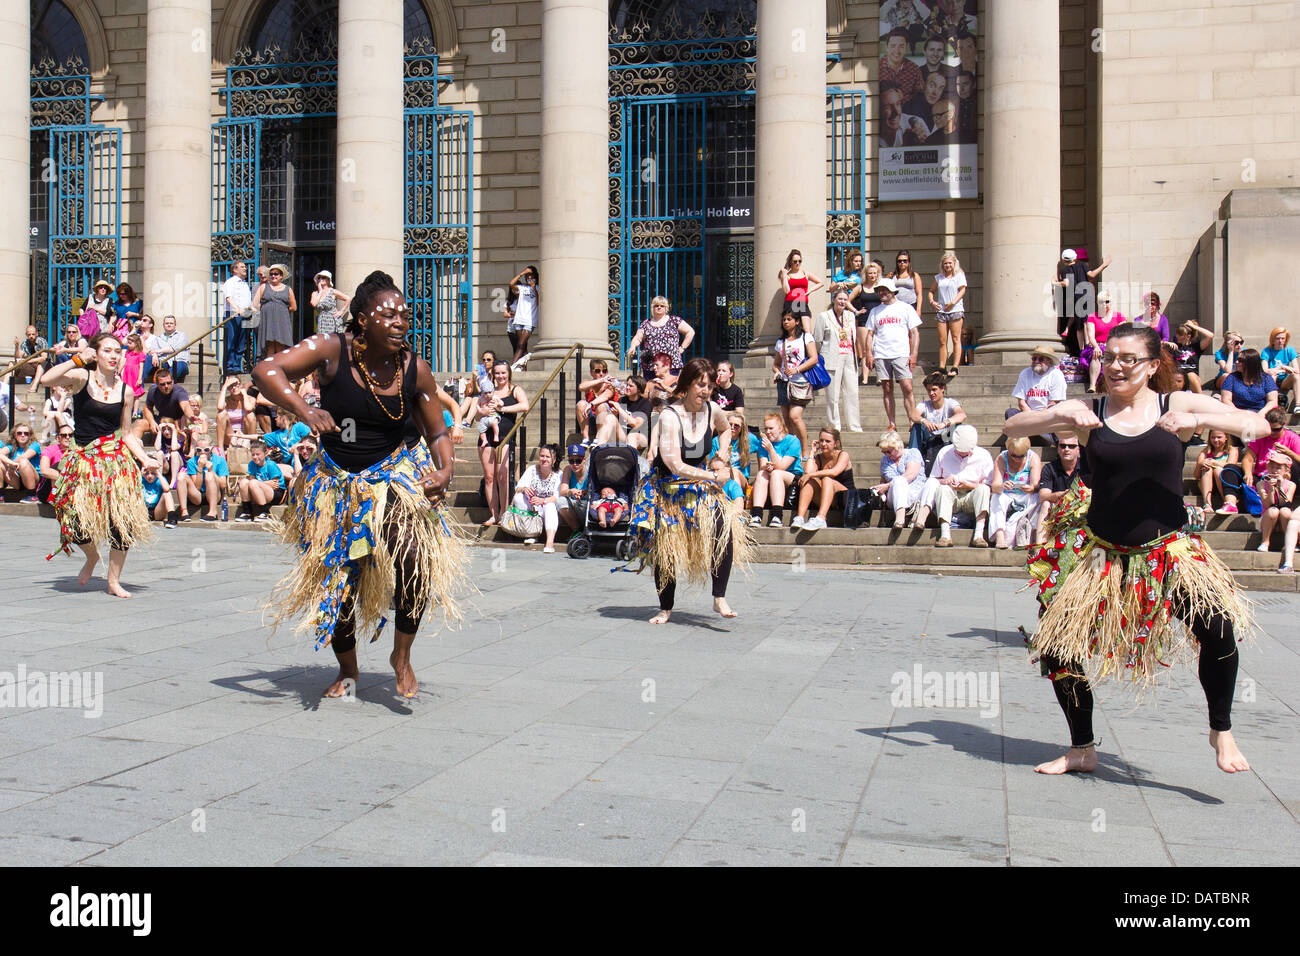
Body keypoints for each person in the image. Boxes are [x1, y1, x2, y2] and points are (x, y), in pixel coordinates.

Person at [1007, 321, 1265, 775]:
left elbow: (1256, 423)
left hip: (1169, 551)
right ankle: (1082, 747)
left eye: (1128, 359)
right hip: (1102, 553)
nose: (1117, 366)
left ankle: (1220, 729)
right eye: (1109, 357)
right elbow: (1014, 423)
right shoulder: (1093, 409)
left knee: (1219, 629)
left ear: (1151, 365)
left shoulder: (1176, 402)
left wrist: (1199, 419)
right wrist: (1064, 411)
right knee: (1057, 646)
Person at [252, 269, 468, 699]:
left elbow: (438, 432)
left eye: (404, 315)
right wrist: (303, 408)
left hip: (391, 476)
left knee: (413, 559)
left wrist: (443, 471)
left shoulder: (414, 369)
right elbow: (265, 369)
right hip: (334, 481)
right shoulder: (333, 349)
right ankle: (347, 668)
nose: (400, 323)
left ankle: (401, 655)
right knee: (336, 581)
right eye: (388, 315)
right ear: (363, 318)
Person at [625, 357, 750, 623]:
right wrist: (713, 475)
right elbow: (674, 463)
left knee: (723, 525)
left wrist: (723, 454)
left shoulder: (712, 409)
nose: (705, 391)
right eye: (699, 385)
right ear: (687, 384)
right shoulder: (670, 416)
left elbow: (726, 429)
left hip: (700, 485)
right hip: (667, 488)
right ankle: (665, 607)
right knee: (666, 549)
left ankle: (719, 597)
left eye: (709, 385)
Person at [37, 332, 154, 598]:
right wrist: (76, 359)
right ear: (96, 354)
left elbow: (126, 434)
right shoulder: (82, 378)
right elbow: (47, 379)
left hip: (116, 462)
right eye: (108, 351)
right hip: (84, 462)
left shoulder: (126, 390)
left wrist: (146, 458)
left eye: (118, 351)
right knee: (74, 523)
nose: (114, 356)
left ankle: (113, 581)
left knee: (121, 524)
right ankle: (91, 558)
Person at [912, 423, 993, 548]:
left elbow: (989, 484)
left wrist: (969, 485)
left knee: (984, 489)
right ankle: (945, 534)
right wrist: (946, 481)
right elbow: (934, 479)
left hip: (971, 496)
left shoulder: (984, 455)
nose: (962, 454)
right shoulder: (944, 452)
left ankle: (979, 534)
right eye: (959, 451)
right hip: (951, 496)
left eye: (965, 452)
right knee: (943, 488)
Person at [864, 277, 922, 431]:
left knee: (907, 387)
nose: (881, 293)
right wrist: (869, 354)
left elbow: (915, 332)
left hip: (901, 353)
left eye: (884, 290)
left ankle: (913, 420)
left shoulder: (906, 308)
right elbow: (870, 334)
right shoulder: (875, 311)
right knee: (887, 388)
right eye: (879, 290)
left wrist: (914, 353)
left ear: (892, 291)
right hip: (882, 354)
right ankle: (892, 423)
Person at [477, 360, 529, 527]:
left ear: (509, 374)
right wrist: (482, 412)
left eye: (503, 373)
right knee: (489, 477)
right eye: (497, 373)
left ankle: (504, 512)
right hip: (486, 438)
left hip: (506, 437)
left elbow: (525, 406)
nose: (500, 376)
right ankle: (493, 514)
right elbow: (477, 414)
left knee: (502, 476)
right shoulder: (487, 390)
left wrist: (503, 409)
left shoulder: (515, 390)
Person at [1220, 408, 1300, 514]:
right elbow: (1248, 458)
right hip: (1261, 478)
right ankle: (1231, 503)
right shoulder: (1260, 436)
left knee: (1294, 465)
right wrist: (1248, 472)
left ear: (1284, 424)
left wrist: (1289, 452)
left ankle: (1283, 501)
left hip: (1284, 479)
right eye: (1270, 429)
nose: (1272, 433)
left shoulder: (1292, 438)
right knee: (1229, 468)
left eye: (1276, 429)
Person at [772, 309, 819, 458]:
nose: (786, 322)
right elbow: (776, 363)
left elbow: (814, 358)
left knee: (795, 416)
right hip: (784, 383)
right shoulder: (781, 342)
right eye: (784, 319)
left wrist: (797, 369)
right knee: (786, 419)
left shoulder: (806, 337)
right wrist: (777, 372)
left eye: (789, 319)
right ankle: (793, 448)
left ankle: (805, 448)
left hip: (800, 382)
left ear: (797, 321)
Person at [814, 290, 861, 433]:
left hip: (849, 356)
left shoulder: (850, 316)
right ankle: (835, 426)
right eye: (840, 299)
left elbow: (854, 337)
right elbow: (817, 339)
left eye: (845, 299)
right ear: (833, 299)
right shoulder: (824, 316)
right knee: (833, 396)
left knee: (852, 392)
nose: (842, 302)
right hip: (831, 358)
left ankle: (854, 425)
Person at [791, 428, 854, 531]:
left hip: (846, 499)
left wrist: (812, 475)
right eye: (821, 440)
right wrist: (812, 453)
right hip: (828, 499)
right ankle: (800, 517)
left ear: (836, 443)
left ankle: (821, 518)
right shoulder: (818, 458)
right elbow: (807, 472)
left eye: (828, 441)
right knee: (809, 481)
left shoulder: (843, 455)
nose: (823, 444)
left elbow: (834, 472)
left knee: (826, 479)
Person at [749, 412, 804, 528]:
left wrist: (770, 449)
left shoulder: (793, 441)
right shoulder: (763, 442)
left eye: (771, 428)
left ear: (780, 428)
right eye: (766, 429)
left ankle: (777, 515)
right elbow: (763, 464)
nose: (768, 432)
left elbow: (782, 466)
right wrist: (766, 467)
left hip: (792, 478)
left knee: (777, 473)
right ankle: (756, 514)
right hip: (773, 476)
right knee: (761, 473)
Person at [989, 436, 1042, 549]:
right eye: (1013, 455)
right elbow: (994, 486)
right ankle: (1000, 535)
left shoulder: (1033, 458)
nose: (1017, 459)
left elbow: (1036, 485)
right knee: (996, 497)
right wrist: (1002, 486)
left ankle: (1031, 533)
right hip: (1007, 494)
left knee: (1038, 497)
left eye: (1021, 455)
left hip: (1026, 495)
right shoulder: (1001, 458)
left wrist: (1031, 488)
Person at [1054, 248, 1110, 355]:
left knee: (1079, 326)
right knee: (1087, 322)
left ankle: (1082, 350)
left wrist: (1055, 283)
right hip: (1088, 295)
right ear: (1075, 258)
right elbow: (1092, 275)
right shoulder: (1082, 265)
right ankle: (1089, 345)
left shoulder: (1066, 270)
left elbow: (1066, 283)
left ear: (1063, 260)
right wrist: (1104, 265)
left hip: (1077, 298)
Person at [511, 443, 566, 553]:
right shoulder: (532, 470)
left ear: (554, 459)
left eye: (547, 457)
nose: (544, 459)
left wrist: (543, 500)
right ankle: (532, 532)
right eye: (542, 456)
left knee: (550, 506)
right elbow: (518, 487)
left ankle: (549, 542)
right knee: (518, 498)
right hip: (533, 509)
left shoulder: (559, 474)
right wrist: (524, 489)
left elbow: (558, 496)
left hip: (551, 513)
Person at [1006, 345, 1067, 441]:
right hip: (1028, 417)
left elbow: (1054, 403)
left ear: (1049, 361)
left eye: (1041, 359)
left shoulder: (1056, 375)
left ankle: (1056, 444)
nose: (1036, 361)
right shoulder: (1025, 373)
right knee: (1011, 413)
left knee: (1055, 411)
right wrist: (1032, 418)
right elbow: (1021, 402)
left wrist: (1039, 419)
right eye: (1034, 358)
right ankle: (1018, 445)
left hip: (1048, 418)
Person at [1037, 432, 1089, 540]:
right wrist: (1060, 495)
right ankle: (1039, 548)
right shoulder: (1049, 468)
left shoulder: (1086, 468)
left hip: (1081, 508)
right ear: (1058, 449)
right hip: (1057, 508)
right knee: (1045, 504)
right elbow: (1043, 496)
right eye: (1063, 446)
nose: (1066, 449)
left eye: (1071, 446)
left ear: (1078, 449)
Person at [910, 369, 966, 471]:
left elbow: (962, 415)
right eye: (929, 390)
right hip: (930, 437)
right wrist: (924, 421)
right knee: (916, 426)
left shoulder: (950, 403)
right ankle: (913, 463)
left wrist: (944, 423)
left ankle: (959, 461)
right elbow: (913, 415)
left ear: (943, 388)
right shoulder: (924, 405)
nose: (931, 393)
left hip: (946, 437)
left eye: (934, 389)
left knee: (958, 426)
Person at [626, 296, 694, 375]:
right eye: (656, 306)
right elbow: (638, 338)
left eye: (662, 306)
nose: (659, 307)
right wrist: (632, 346)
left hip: (671, 364)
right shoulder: (646, 323)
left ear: (666, 308)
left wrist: (682, 348)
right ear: (652, 308)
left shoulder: (674, 320)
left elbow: (690, 332)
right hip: (651, 365)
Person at [874, 429, 927, 530]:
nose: (886, 455)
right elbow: (883, 479)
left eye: (889, 451)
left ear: (898, 446)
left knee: (899, 480)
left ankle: (900, 519)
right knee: (897, 482)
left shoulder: (912, 453)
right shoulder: (885, 459)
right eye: (884, 452)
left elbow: (910, 474)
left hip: (914, 492)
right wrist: (881, 489)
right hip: (894, 496)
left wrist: (888, 485)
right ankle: (900, 519)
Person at [929, 251, 967, 375]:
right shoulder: (938, 277)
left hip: (955, 310)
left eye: (950, 263)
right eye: (945, 263)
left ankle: (955, 366)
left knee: (956, 339)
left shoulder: (959, 275)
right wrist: (932, 301)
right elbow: (931, 291)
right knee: (942, 340)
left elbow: (962, 290)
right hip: (942, 311)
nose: (948, 266)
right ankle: (942, 366)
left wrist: (953, 302)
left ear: (954, 263)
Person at [1081, 291, 1126, 392]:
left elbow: (1123, 333)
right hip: (1097, 345)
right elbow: (1091, 336)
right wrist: (1096, 346)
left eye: (1107, 302)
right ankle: (1092, 385)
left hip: (1114, 346)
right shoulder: (1092, 317)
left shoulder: (1119, 316)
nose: (1104, 304)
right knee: (1096, 354)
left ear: (1111, 302)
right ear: (1098, 303)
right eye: (1101, 302)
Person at [1255, 449, 1295, 558]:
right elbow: (1268, 504)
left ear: (1286, 470)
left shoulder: (1291, 485)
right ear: (1267, 468)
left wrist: (1280, 487)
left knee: (1285, 511)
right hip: (1268, 517)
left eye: (1278, 468)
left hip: (1284, 518)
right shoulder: (1261, 484)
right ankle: (1265, 541)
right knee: (1273, 511)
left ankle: (1289, 543)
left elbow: (1286, 503)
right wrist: (1272, 489)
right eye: (1272, 467)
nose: (1275, 470)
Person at [594, 374, 652, 448]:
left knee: (632, 436)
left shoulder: (645, 403)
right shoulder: (622, 400)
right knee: (610, 417)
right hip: (623, 436)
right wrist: (615, 414)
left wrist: (619, 409)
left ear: (639, 389)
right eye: (627, 385)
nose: (627, 387)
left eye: (631, 386)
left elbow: (636, 424)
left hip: (640, 437)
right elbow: (617, 422)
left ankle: (629, 458)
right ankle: (598, 450)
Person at [851, 260, 885, 386]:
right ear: (866, 274)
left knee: (878, 349)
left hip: (878, 320)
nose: (872, 275)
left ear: (878, 274)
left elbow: (890, 299)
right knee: (866, 350)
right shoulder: (860, 287)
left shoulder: (881, 287)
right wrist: (856, 311)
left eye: (874, 273)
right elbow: (847, 300)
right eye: (870, 273)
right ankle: (865, 378)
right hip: (864, 320)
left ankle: (879, 377)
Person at [251, 264, 296, 357]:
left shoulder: (288, 289)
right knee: (270, 345)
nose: (273, 276)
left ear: (281, 276)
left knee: (281, 344)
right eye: (271, 274)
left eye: (276, 274)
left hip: (281, 321)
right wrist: (265, 309)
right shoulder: (263, 287)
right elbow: (255, 304)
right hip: (268, 320)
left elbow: (293, 307)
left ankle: (281, 368)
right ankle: (269, 368)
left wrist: (282, 310)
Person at [180, 435, 229, 522]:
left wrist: (211, 470)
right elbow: (197, 487)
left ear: (211, 449)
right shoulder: (192, 461)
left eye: (206, 450)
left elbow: (223, 485)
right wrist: (200, 468)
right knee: (181, 476)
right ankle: (184, 512)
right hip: (198, 495)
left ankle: (212, 512)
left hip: (214, 494)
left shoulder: (220, 460)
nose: (202, 453)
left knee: (209, 475)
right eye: (199, 450)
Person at [1194, 429, 1237, 519]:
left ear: (1226, 438)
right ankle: (1207, 504)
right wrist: (1201, 464)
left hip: (1224, 483)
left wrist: (1215, 463)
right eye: (1213, 437)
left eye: (1219, 437)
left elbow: (1231, 466)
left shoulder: (1232, 450)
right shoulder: (1205, 452)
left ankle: (1227, 501)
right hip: (1206, 483)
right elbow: (1196, 476)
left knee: (1218, 470)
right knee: (1207, 469)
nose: (1216, 440)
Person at [1219, 348, 1277, 415]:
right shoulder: (1231, 378)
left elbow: (1272, 401)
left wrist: (1261, 413)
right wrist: (1240, 413)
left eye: (1240, 360)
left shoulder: (1266, 378)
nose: (1236, 362)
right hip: (1237, 413)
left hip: (1261, 413)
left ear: (1250, 362)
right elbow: (1226, 400)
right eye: (1237, 359)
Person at [222, 260, 253, 374]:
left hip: (244, 315)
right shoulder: (230, 282)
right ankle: (229, 366)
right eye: (242, 267)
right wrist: (237, 308)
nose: (245, 269)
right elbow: (228, 297)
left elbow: (247, 301)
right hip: (232, 314)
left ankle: (236, 366)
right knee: (231, 340)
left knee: (241, 342)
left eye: (245, 267)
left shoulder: (245, 284)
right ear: (235, 270)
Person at [505, 265, 540, 367]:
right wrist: (522, 273)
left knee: (520, 345)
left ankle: (512, 367)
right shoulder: (522, 288)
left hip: (530, 320)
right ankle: (524, 367)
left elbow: (539, 303)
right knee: (522, 346)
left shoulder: (538, 288)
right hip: (519, 319)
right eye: (527, 276)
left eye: (531, 276)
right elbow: (511, 284)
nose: (529, 278)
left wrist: (534, 288)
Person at [778, 249, 824, 326]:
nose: (797, 263)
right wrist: (784, 275)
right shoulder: (787, 275)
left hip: (802, 303)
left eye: (800, 261)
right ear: (790, 262)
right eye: (795, 261)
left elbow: (820, 282)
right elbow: (786, 291)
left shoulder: (805, 273)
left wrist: (810, 291)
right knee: (792, 330)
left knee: (806, 329)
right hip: (790, 303)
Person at [575, 358, 619, 440]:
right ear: (591, 372)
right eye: (598, 371)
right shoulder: (590, 384)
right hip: (592, 420)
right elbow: (581, 387)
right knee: (581, 404)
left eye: (604, 371)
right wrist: (600, 380)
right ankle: (585, 438)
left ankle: (598, 438)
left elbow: (606, 396)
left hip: (607, 420)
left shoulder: (610, 385)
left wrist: (591, 404)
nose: (601, 374)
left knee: (601, 405)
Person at [878, 82, 929, 148]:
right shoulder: (869, 131)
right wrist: (906, 146)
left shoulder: (917, 124)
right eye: (887, 107)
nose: (896, 112)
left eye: (898, 104)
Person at [1261, 326, 1299, 414]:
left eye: (1283, 338)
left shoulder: (1290, 350)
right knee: (1272, 375)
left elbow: (1297, 370)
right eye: (1278, 338)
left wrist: (1282, 369)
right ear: (1272, 340)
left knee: (1296, 376)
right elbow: (1265, 370)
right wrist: (1284, 367)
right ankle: (1272, 404)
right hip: (1271, 380)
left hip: (1285, 382)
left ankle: (1298, 405)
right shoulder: (1266, 351)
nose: (1280, 341)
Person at [216, 376, 259, 452]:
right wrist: (224, 387)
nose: (234, 388)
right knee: (221, 414)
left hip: (246, 434)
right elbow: (220, 407)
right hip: (231, 435)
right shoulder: (227, 400)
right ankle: (220, 449)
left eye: (236, 385)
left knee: (250, 415)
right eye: (231, 386)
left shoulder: (251, 399)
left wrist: (244, 394)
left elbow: (248, 408)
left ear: (241, 385)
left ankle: (253, 446)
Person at [1170, 320, 1214, 393]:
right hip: (1179, 377)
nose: (1177, 336)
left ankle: (1200, 399)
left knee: (1191, 375)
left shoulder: (1195, 347)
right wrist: (1165, 342)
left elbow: (1210, 335)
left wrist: (1194, 327)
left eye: (1180, 334)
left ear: (1188, 336)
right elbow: (1157, 345)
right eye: (1177, 334)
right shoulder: (1174, 346)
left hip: (1193, 378)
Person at [880, 28, 923, 100]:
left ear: (906, 48)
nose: (897, 51)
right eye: (893, 46)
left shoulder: (914, 69)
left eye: (901, 46)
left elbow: (920, 96)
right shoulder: (876, 68)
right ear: (887, 47)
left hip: (907, 110)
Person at [146, 314, 191, 383]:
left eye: (171, 323)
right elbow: (151, 350)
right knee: (148, 358)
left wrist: (158, 351)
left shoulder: (181, 335)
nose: (169, 325)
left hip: (179, 363)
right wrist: (154, 354)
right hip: (163, 363)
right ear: (163, 325)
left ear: (175, 325)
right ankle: (138, 384)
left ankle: (158, 386)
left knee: (178, 365)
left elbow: (173, 349)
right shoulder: (159, 338)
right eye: (167, 323)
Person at [1, 424, 42, 500]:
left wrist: (10, 466)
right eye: (19, 433)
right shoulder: (11, 446)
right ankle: (0, 494)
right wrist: (11, 464)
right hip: (17, 479)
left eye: (26, 433)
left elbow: (24, 457)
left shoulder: (35, 445)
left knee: (23, 461)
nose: (23, 435)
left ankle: (32, 495)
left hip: (33, 479)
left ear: (30, 436)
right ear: (15, 435)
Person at [37, 424, 74, 504]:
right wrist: (67, 479)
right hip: (47, 491)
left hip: (70, 489)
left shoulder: (78, 451)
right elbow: (44, 470)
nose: (68, 437)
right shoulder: (50, 450)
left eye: (70, 435)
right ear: (58, 438)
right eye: (64, 435)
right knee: (59, 465)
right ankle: (58, 500)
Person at [310, 270, 350, 335]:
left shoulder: (333, 292)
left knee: (333, 342)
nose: (320, 279)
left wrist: (341, 311)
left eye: (323, 277)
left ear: (328, 280)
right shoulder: (315, 293)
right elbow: (314, 304)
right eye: (319, 277)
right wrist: (320, 292)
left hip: (333, 321)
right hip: (321, 322)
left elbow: (348, 298)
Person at [889, 250, 924, 317]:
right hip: (895, 307)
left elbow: (919, 294)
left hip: (911, 306)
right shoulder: (892, 275)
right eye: (899, 261)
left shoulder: (914, 275)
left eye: (905, 261)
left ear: (908, 262)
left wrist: (918, 309)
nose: (902, 262)